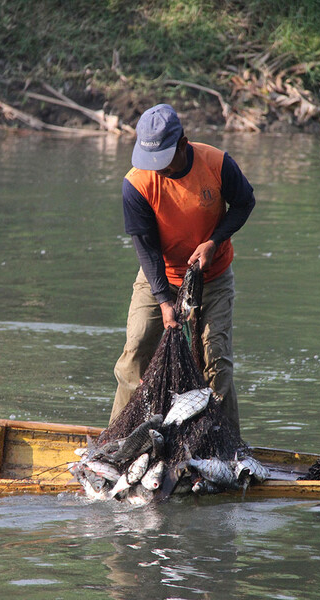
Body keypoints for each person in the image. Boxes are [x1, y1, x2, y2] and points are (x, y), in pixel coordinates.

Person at [110, 103, 255, 434]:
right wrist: (163, 300)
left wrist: (214, 242)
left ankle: (223, 446)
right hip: (158, 277)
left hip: (213, 278)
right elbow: (145, 249)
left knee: (216, 362)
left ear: (183, 144)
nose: (157, 169)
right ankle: (119, 440)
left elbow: (245, 202)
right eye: (151, 161)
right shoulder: (136, 184)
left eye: (163, 159)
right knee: (135, 351)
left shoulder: (216, 164)